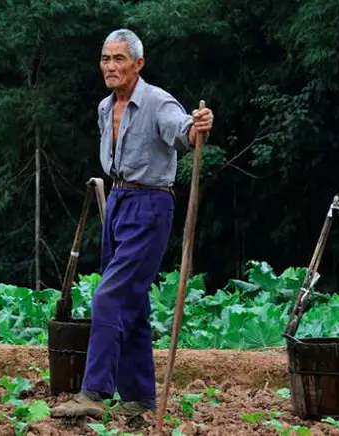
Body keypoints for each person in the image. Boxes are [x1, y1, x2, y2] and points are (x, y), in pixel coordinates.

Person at [50, 28, 214, 419]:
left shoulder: (158, 102)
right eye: (106, 59)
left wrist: (198, 127)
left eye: (119, 59)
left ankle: (93, 393)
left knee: (108, 296)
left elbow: (183, 133)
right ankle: (139, 397)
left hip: (150, 205)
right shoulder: (106, 108)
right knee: (132, 304)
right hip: (119, 200)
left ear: (138, 64)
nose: (110, 66)